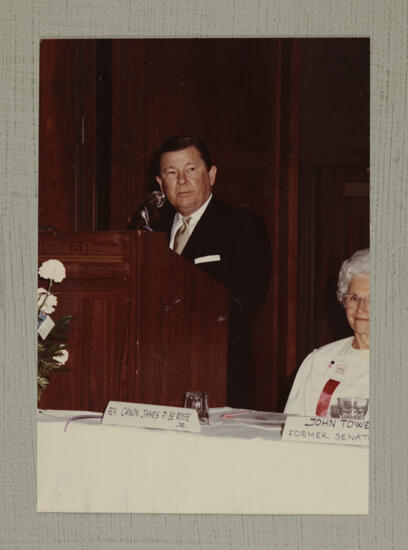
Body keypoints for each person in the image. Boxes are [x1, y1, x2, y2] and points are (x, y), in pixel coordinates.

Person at [151, 135, 271, 408]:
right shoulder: (149, 234)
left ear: (212, 174)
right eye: (172, 172)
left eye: (191, 169)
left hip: (215, 372)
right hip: (156, 375)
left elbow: (250, 297)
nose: (182, 180)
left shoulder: (243, 226)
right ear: (160, 183)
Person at [284, 248, 369, 417]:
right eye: (353, 298)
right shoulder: (319, 360)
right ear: (343, 301)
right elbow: (293, 425)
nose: (361, 308)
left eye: (372, 299)